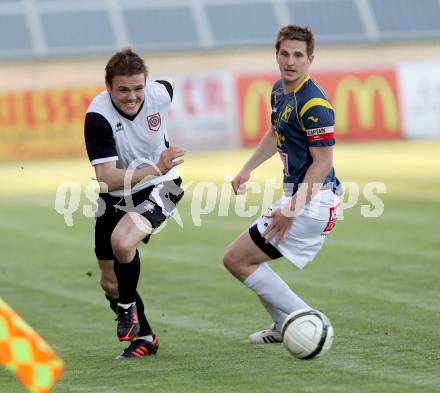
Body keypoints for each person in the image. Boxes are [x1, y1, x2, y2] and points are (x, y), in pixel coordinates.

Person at [223, 25, 342, 344]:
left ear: (310, 59)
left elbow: (323, 162)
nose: (290, 61)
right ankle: (284, 325)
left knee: (236, 259)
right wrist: (247, 168)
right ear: (276, 54)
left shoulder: (313, 102)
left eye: (298, 55)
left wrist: (291, 209)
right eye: (285, 53)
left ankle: (309, 321)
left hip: (313, 201)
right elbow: (276, 131)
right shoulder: (279, 90)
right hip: (301, 198)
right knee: (247, 260)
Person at [84, 48, 185, 359]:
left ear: (147, 83)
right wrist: (155, 166)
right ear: (108, 86)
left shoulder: (160, 93)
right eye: (123, 89)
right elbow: (106, 179)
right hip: (118, 192)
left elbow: (170, 85)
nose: (132, 96)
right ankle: (145, 338)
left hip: (164, 185)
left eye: (138, 88)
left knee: (122, 242)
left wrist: (159, 171)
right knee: (110, 282)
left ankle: (127, 308)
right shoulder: (98, 117)